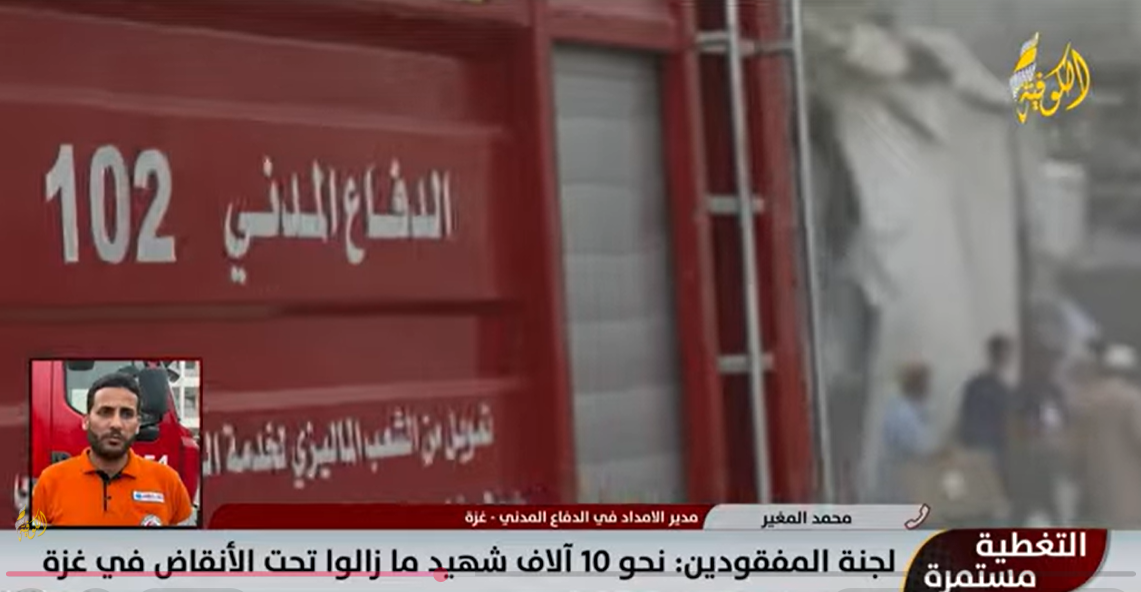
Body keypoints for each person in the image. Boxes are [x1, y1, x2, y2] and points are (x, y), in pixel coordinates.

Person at [31, 371, 193, 527]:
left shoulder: (168, 483)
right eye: (105, 412)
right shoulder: (50, 483)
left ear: (138, 425)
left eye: (126, 414)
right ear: (86, 421)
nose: (116, 424)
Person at [1070, 343, 1141, 528]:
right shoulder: (1132, 399)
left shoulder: (1085, 400)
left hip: (1095, 489)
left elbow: (1074, 450)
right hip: (1129, 491)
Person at [957, 335, 1016, 497]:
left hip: (982, 453)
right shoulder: (990, 388)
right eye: (1004, 354)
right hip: (987, 455)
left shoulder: (978, 385)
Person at [872, 361, 938, 503]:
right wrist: (940, 455)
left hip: (906, 487)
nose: (929, 387)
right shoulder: (902, 414)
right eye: (925, 382)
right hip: (898, 490)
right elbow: (918, 450)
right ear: (917, 385)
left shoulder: (913, 411)